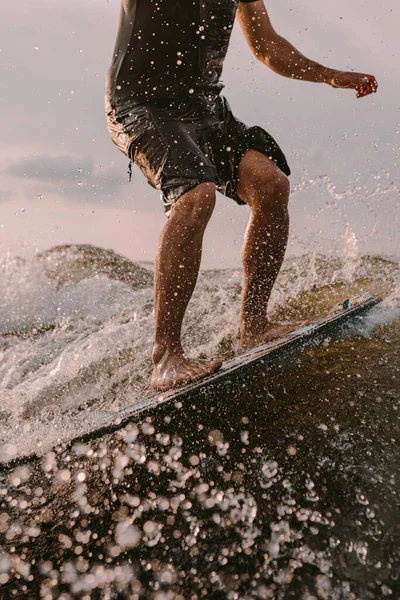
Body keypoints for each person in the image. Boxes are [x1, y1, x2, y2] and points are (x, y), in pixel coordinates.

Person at [106, 0, 377, 392]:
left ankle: (255, 325)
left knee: (271, 184)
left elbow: (267, 46)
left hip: (206, 108)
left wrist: (330, 76)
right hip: (142, 106)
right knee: (197, 196)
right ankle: (167, 356)